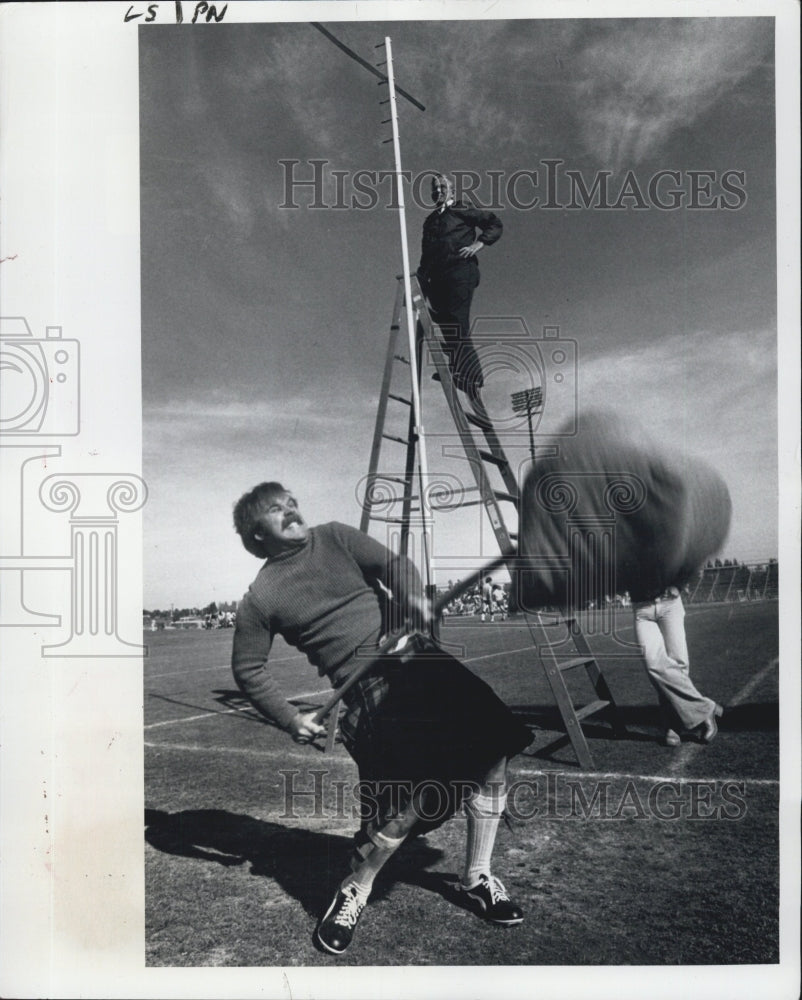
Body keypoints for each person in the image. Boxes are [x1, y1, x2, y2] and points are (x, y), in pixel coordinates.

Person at [230, 482, 532, 955]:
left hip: (418, 660)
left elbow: (394, 566)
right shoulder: (261, 597)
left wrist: (411, 600)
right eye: (276, 509)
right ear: (255, 534)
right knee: (407, 803)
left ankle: (476, 875)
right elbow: (247, 669)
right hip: (366, 690)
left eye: (292, 501)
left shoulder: (335, 536)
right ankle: (356, 886)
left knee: (494, 752)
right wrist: (291, 718)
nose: (291, 510)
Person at [417, 173, 503, 394]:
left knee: (456, 320)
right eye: (434, 188)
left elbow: (493, 223)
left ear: (452, 191)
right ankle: (458, 367)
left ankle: (472, 376)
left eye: (442, 187)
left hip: (460, 273)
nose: (438, 191)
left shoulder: (461, 208)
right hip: (437, 278)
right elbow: (425, 256)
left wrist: (478, 244)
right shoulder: (430, 221)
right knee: (444, 321)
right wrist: (419, 288)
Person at [632, 585, 723, 747]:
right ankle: (706, 708)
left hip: (670, 603)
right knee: (654, 664)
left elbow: (689, 561)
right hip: (642, 608)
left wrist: (680, 584)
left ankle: (672, 725)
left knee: (679, 666)